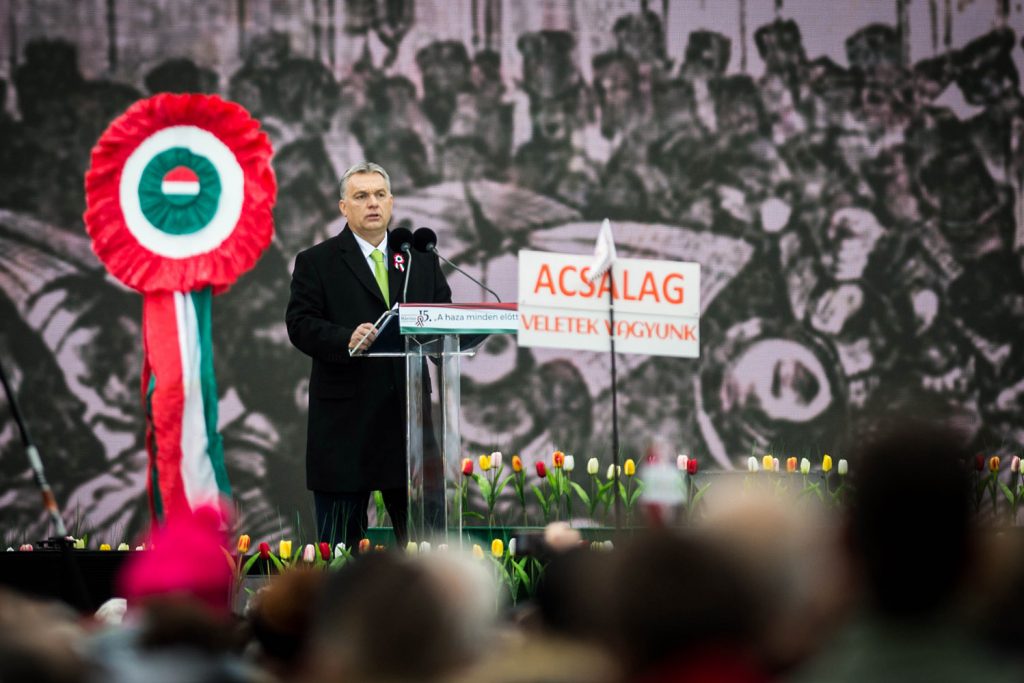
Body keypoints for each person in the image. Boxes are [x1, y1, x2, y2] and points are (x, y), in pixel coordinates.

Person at [285, 161, 452, 547]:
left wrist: (443, 344)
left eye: (380, 195)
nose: (372, 203)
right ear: (344, 207)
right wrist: (345, 338)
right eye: (361, 196)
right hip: (346, 424)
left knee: (428, 550)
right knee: (342, 552)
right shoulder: (317, 261)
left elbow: (444, 317)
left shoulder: (419, 258)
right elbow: (300, 323)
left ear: (391, 202)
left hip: (409, 421)